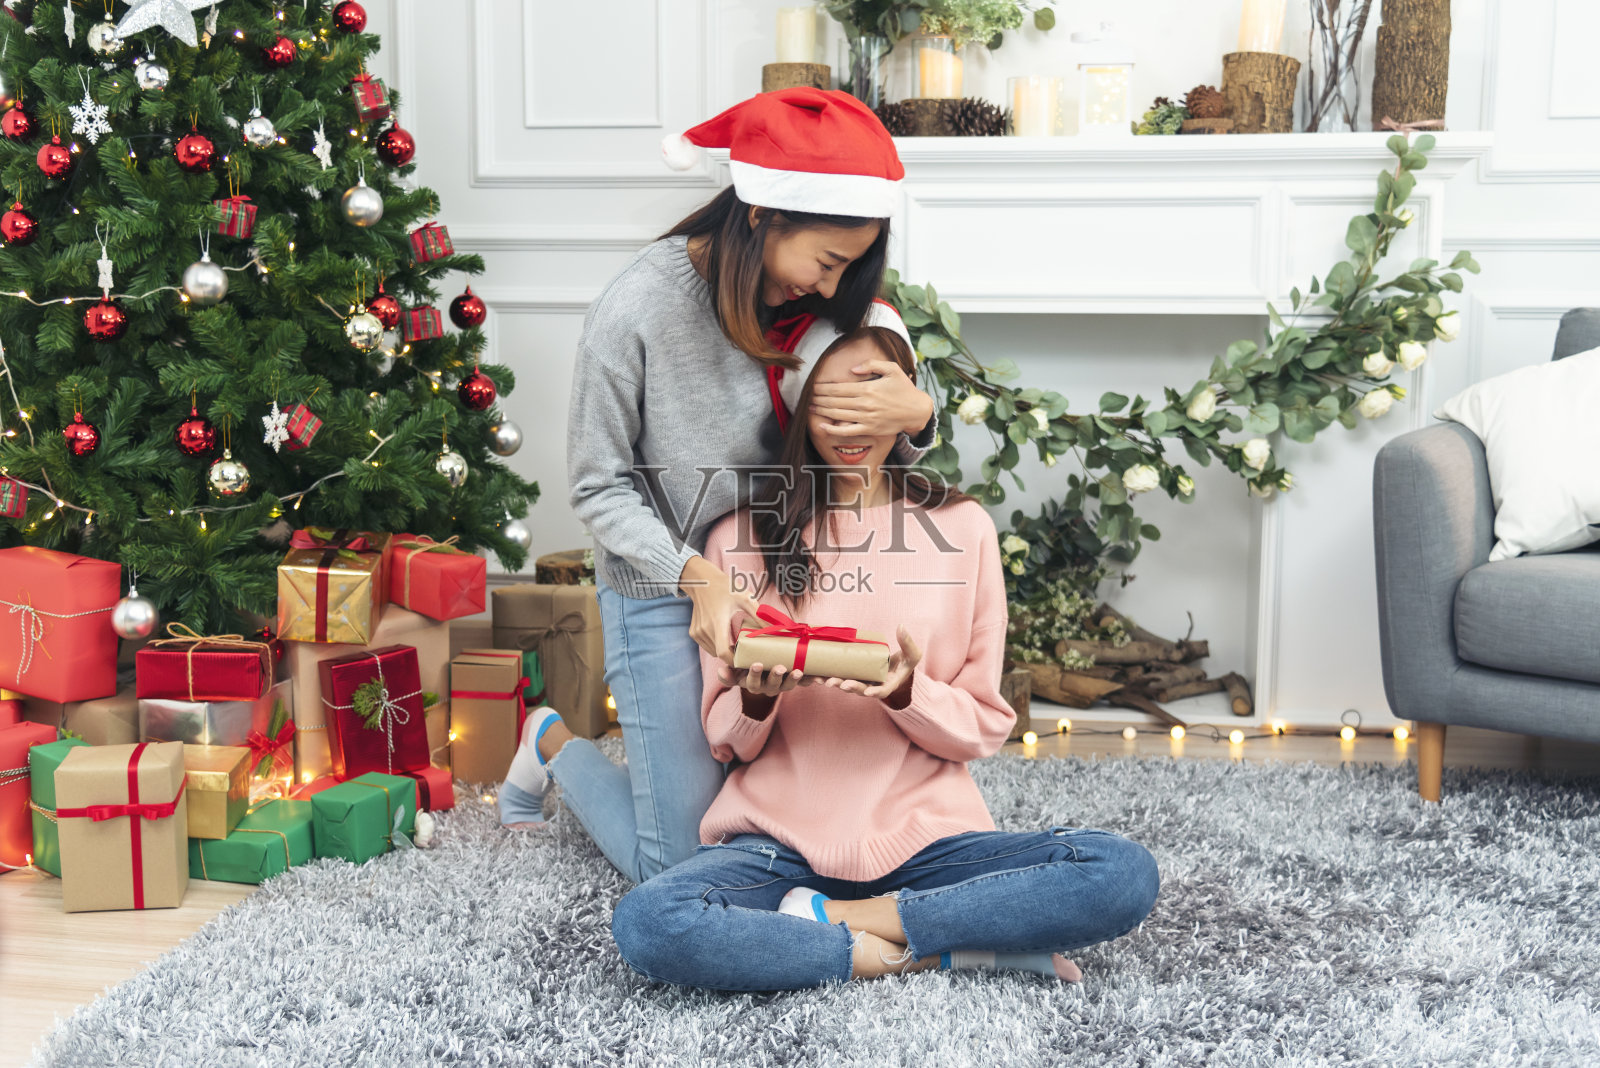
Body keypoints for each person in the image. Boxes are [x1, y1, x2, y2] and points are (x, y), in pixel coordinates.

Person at [605, 326, 1161, 991]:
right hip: (777, 849)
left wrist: (906, 692)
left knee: (1121, 871)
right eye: (828, 400)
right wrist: (756, 695)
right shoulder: (738, 536)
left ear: (907, 401)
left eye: (871, 389)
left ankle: (838, 920)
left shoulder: (964, 530)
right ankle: (917, 950)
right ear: (794, 407)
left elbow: (985, 724)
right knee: (649, 921)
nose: (851, 420)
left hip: (931, 845)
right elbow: (726, 739)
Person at [495, 88, 938, 886]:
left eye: (850, 265)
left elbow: (887, 373)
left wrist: (921, 407)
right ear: (764, 214)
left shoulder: (837, 304)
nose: (832, 283)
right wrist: (696, 577)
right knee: (682, 866)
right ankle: (553, 742)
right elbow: (596, 490)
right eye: (827, 260)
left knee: (787, 832)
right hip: (665, 587)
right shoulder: (636, 308)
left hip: (783, 570)